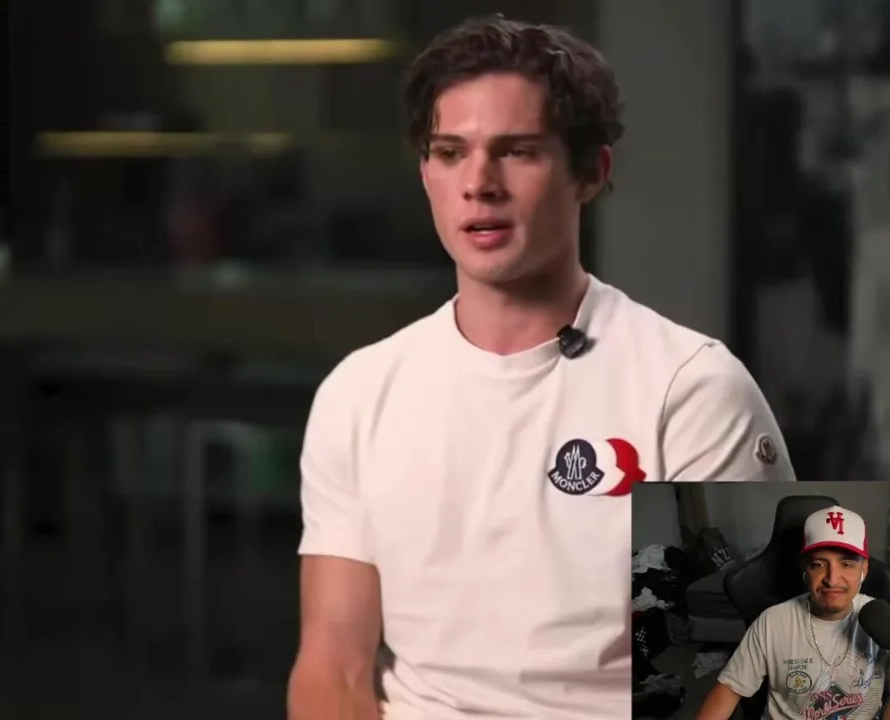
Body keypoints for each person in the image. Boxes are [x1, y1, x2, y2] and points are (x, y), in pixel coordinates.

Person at [287, 16, 796, 720]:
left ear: (590, 172)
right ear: (426, 172)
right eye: (450, 152)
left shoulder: (688, 390)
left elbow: (745, 680)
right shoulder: (361, 392)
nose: (479, 184)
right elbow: (334, 670)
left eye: (517, 151)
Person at [696, 506, 890, 720]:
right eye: (819, 564)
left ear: (864, 569)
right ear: (805, 569)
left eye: (847, 564)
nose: (832, 579)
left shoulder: (885, 620)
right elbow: (729, 689)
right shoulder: (772, 622)